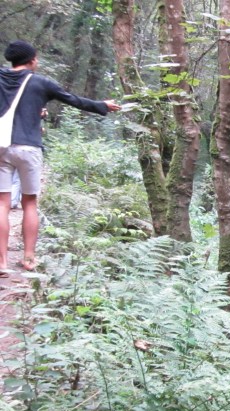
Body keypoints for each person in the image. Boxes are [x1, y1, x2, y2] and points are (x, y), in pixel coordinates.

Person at [0, 40, 121, 275]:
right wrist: (102, 105)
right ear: (32, 60)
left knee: (2, 203)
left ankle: (1, 262)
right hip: (29, 148)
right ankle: (28, 259)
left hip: (0, 147)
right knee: (29, 203)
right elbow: (73, 100)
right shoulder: (41, 82)